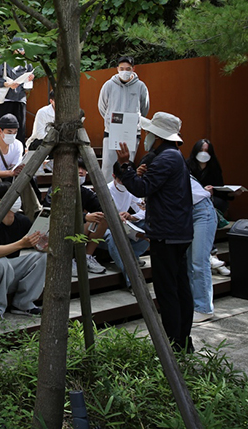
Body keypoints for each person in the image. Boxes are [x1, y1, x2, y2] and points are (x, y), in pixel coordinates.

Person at [116, 111, 194, 352]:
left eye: (149, 132)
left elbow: (141, 189)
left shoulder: (166, 158)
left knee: (168, 290)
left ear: (158, 136)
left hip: (167, 233)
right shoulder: (173, 156)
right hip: (177, 231)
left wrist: (126, 165)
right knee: (179, 287)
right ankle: (183, 341)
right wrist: (138, 173)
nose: (147, 136)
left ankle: (173, 344)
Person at [0, 183, 47, 320]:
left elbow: (37, 245)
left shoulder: (22, 220)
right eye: (14, 195)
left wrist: (44, 243)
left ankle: (23, 303)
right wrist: (20, 244)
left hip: (11, 271)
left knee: (42, 256)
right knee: (1, 263)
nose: (19, 199)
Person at [95, 161, 150, 289]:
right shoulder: (106, 191)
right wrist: (114, 217)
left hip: (126, 227)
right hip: (106, 229)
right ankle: (131, 278)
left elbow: (144, 210)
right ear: (114, 176)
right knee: (113, 236)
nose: (124, 184)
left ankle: (132, 255)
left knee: (149, 227)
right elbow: (97, 214)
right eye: (121, 180)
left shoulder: (131, 188)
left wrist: (132, 217)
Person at [98, 55, 150, 183]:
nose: (124, 71)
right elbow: (102, 106)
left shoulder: (140, 86)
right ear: (117, 69)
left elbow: (145, 108)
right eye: (122, 68)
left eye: (128, 69)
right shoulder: (109, 85)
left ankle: (126, 191)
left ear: (133, 69)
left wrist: (136, 120)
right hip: (111, 131)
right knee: (108, 166)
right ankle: (107, 193)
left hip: (131, 132)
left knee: (127, 165)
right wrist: (110, 120)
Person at [0, 113, 41, 221]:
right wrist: (9, 173)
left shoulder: (18, 144)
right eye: (9, 132)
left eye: (15, 132)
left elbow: (16, 166)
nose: (12, 135)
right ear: (0, 131)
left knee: (23, 179)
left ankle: (33, 213)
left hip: (11, 177)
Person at [0, 36, 34, 143]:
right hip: (5, 99)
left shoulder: (27, 62)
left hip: (20, 99)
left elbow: (28, 83)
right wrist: (7, 84)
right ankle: (1, 149)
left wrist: (29, 79)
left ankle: (19, 150)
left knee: (20, 129)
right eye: (20, 48)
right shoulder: (3, 60)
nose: (23, 51)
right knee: (3, 127)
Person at [187, 175, 218, 324]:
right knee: (188, 264)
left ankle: (204, 308)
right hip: (186, 216)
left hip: (202, 212)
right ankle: (193, 304)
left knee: (199, 262)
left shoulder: (173, 169)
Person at [186, 138, 240, 215]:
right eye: (201, 150)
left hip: (211, 198)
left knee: (221, 203)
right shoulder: (187, 165)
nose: (203, 153)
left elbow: (219, 189)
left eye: (206, 151)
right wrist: (202, 191)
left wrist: (231, 194)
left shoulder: (214, 167)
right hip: (193, 197)